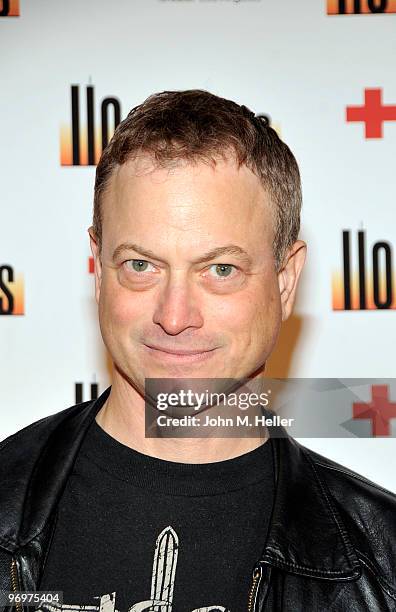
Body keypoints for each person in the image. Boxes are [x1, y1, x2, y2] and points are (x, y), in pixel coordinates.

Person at [0, 90, 395, 612]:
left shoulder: (381, 561)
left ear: (285, 280)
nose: (175, 315)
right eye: (141, 265)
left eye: (221, 270)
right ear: (97, 266)